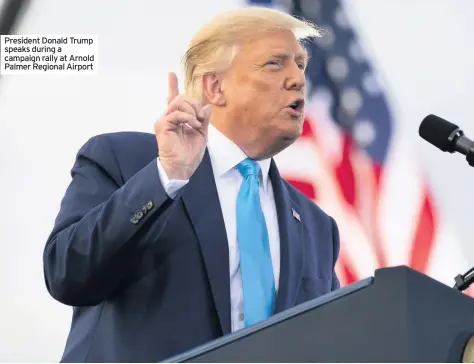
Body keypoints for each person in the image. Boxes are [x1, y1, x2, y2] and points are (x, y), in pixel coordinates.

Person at [43, 6, 339, 363]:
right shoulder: (125, 160)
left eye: (301, 64)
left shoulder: (317, 226)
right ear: (215, 87)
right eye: (275, 64)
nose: (297, 79)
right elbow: (67, 273)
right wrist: (167, 175)